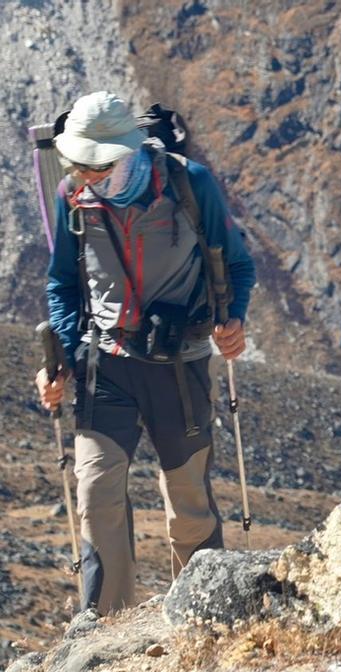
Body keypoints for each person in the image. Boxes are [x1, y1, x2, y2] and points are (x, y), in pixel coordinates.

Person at [34, 92, 255, 614]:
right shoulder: (74, 196)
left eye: (96, 164)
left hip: (181, 367)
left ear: (128, 151)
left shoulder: (188, 184)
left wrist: (234, 319)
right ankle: (104, 632)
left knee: (189, 504)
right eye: (77, 163)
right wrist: (63, 358)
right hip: (103, 364)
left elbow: (238, 264)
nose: (84, 174)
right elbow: (62, 284)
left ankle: (199, 621)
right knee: (95, 496)